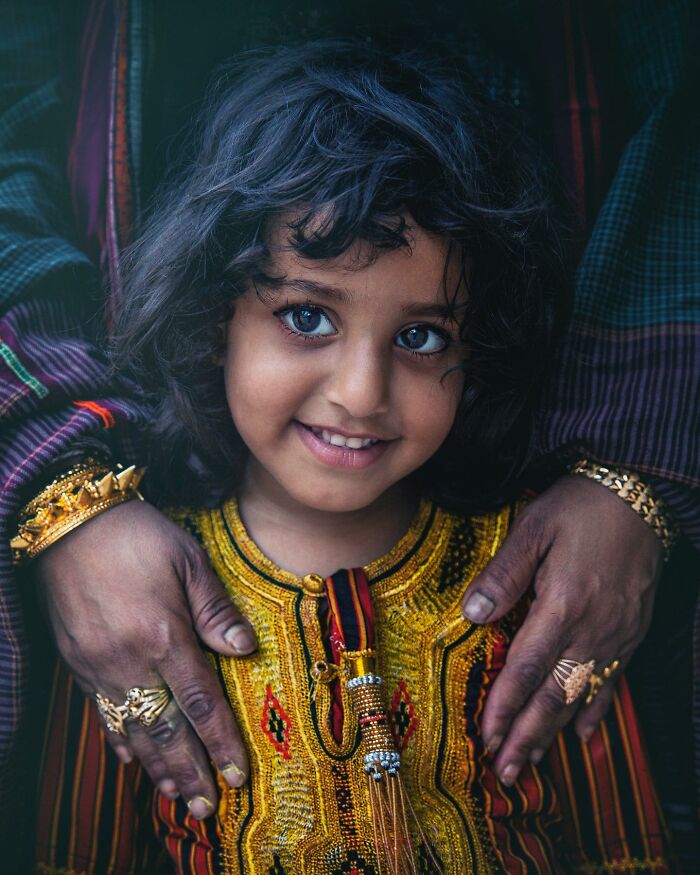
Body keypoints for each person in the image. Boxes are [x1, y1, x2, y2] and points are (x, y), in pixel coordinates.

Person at [1, 2, 697, 870]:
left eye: (422, 336)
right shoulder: (134, 608)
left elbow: (626, 846)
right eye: (307, 316)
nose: (362, 393)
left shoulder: (544, 585)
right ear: (214, 317)